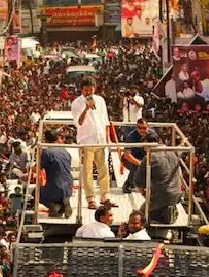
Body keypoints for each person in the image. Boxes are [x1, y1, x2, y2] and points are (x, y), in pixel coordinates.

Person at [70, 76, 117, 209]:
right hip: (86, 140)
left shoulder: (100, 100)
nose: (89, 93)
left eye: (91, 90)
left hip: (100, 140)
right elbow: (79, 122)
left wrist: (107, 140)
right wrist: (86, 108)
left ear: (95, 89)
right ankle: (90, 198)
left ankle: (105, 196)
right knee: (88, 171)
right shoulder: (76, 103)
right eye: (86, 90)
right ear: (81, 90)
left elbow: (105, 120)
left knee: (104, 169)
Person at [133, 132, 183, 224]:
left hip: (161, 196)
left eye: (145, 146)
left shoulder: (149, 157)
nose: (144, 149)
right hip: (176, 194)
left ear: (149, 144)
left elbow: (138, 181)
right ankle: (165, 212)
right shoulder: (173, 152)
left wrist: (143, 192)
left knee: (139, 217)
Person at [40, 129, 73, 218]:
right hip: (69, 185)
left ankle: (55, 207)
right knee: (58, 192)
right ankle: (64, 205)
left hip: (55, 186)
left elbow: (37, 168)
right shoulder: (65, 151)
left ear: (45, 140)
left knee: (36, 192)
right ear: (57, 138)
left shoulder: (47, 152)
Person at [121, 119, 153, 193]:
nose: (142, 130)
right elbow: (127, 155)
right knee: (136, 165)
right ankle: (128, 184)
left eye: (144, 128)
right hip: (131, 159)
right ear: (137, 127)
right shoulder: (131, 136)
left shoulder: (152, 135)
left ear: (148, 127)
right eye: (139, 128)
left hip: (147, 158)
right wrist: (141, 164)